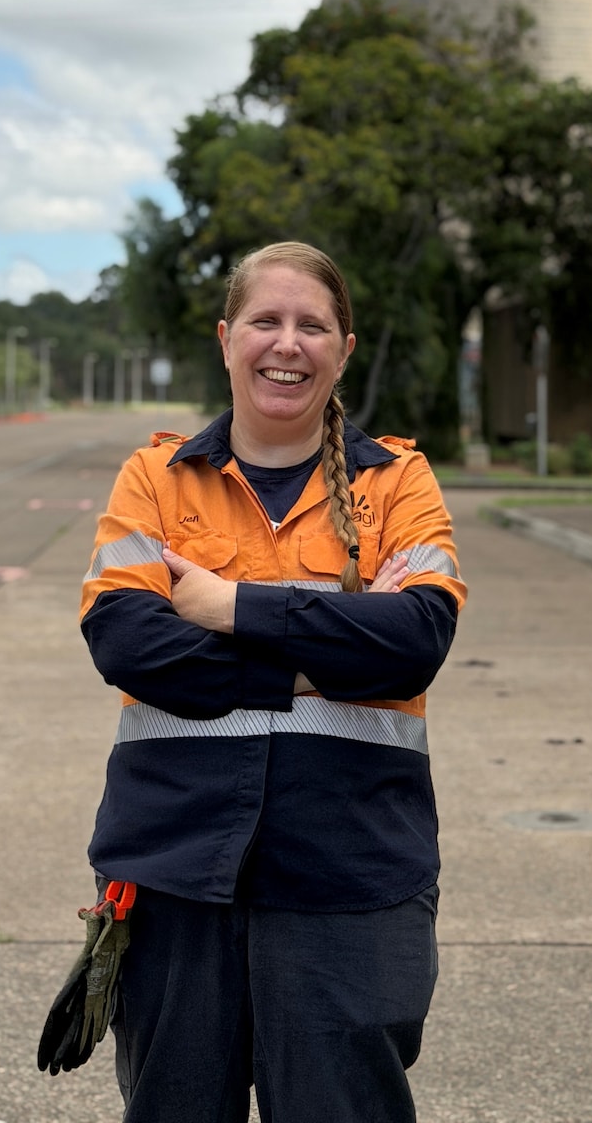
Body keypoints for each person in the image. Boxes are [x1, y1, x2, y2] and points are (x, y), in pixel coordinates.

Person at [79, 240, 467, 1123]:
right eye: (266, 320)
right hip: (175, 870)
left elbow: (414, 640)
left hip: (351, 872)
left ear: (344, 349)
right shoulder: (156, 478)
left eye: (312, 325)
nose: (287, 344)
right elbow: (125, 641)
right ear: (226, 339)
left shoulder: (398, 483)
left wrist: (228, 606)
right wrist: (318, 654)